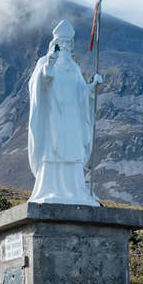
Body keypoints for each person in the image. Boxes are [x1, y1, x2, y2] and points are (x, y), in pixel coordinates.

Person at [27, 19, 102, 206]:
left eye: (69, 44)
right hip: (53, 117)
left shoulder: (74, 68)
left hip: (72, 119)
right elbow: (37, 86)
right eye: (63, 44)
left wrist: (92, 87)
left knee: (73, 151)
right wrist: (48, 68)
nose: (66, 48)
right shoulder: (44, 62)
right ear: (55, 45)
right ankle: (51, 189)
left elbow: (81, 93)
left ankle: (76, 191)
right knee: (54, 150)